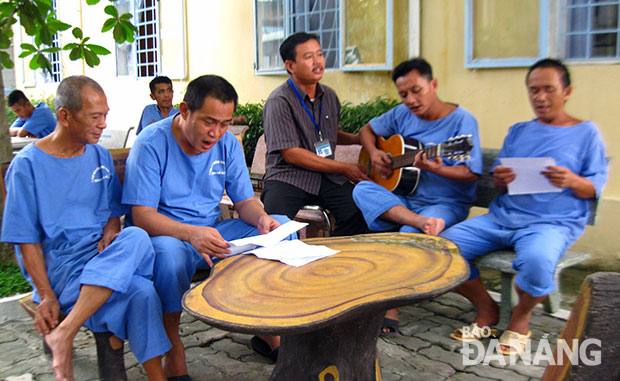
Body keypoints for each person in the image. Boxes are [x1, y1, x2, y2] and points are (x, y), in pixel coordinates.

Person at [1, 76, 170, 381]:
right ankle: (67, 331)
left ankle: (67, 332)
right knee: (140, 265)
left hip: (102, 259)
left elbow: (110, 212)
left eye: (105, 115)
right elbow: (26, 242)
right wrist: (45, 295)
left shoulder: (99, 155)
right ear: (64, 116)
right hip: (63, 269)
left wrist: (109, 230)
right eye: (95, 117)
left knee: (139, 265)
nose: (103, 124)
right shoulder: (27, 167)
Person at [123, 74, 293, 377]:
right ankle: (173, 343)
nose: (216, 133)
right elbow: (142, 216)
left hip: (213, 234)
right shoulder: (151, 143)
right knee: (170, 258)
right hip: (167, 235)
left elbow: (244, 202)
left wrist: (262, 218)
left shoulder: (227, 144)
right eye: (208, 122)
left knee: (280, 228)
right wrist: (191, 233)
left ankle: (267, 326)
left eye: (225, 124)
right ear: (185, 110)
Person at [441, 58, 608, 355]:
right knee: (442, 250)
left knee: (537, 261)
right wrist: (501, 179)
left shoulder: (586, 133)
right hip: (503, 219)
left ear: (566, 91)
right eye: (533, 90)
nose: (540, 97)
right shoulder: (518, 131)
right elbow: (501, 182)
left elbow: (593, 187)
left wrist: (571, 180)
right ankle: (487, 309)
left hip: (551, 223)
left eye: (548, 89)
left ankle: (520, 318)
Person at [352, 58, 482, 334]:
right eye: (403, 94)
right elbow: (367, 131)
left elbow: (471, 173)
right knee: (361, 188)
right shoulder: (401, 114)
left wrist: (440, 169)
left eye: (416, 91)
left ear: (433, 85)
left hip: (447, 203)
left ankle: (392, 305)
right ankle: (418, 222)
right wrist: (375, 153)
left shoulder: (462, 121)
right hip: (408, 200)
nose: (410, 99)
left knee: (405, 234)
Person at [260, 32, 369, 237]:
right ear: (290, 66)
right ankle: (283, 265)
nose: (317, 62)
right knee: (276, 225)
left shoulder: (329, 96)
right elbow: (292, 154)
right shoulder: (279, 101)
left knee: (359, 211)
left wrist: (355, 139)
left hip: (327, 177)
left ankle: (335, 260)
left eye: (319, 54)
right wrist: (345, 168)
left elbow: (330, 134)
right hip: (288, 176)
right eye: (309, 57)